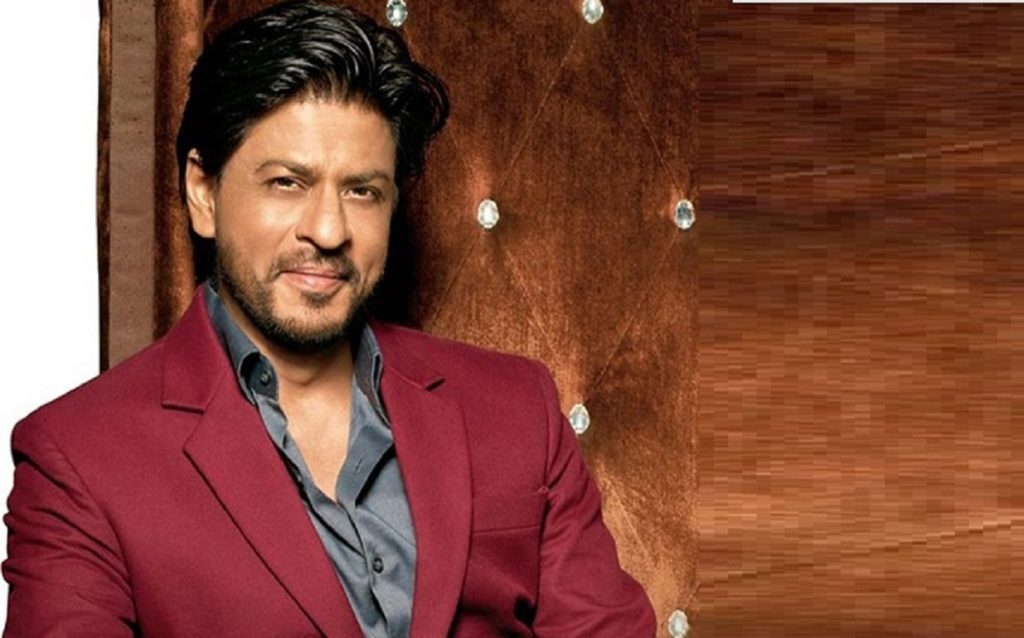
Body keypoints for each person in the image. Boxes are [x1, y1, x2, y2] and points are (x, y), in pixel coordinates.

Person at [2, 1, 655, 635]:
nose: (328, 230)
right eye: (287, 182)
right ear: (203, 192)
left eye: (361, 191)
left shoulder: (516, 405)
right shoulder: (78, 457)